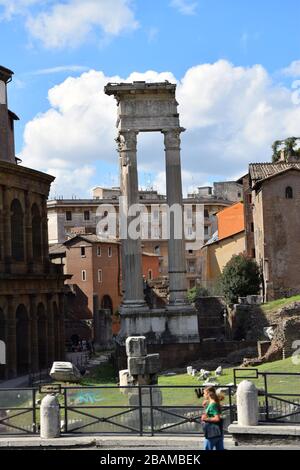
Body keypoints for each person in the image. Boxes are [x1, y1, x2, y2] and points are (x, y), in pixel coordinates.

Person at [196, 386, 225, 451]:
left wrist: (205, 419)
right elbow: (210, 414)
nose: (203, 395)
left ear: (209, 394)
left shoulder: (213, 405)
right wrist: (205, 407)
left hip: (211, 433)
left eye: (204, 393)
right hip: (218, 432)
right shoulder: (213, 403)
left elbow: (217, 418)